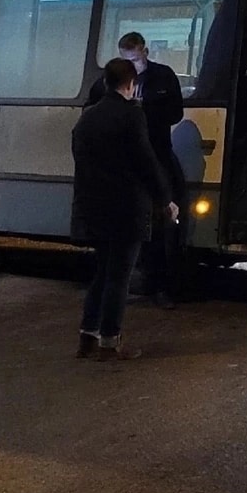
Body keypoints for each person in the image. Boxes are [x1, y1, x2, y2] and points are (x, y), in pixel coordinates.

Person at [70, 56, 179, 360]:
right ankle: (109, 341)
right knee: (119, 277)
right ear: (131, 84)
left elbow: (79, 155)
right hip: (125, 209)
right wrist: (165, 199)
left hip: (93, 207)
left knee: (102, 273)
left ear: (105, 82)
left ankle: (86, 338)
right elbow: (146, 161)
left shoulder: (88, 116)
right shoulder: (132, 116)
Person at [90, 30, 186, 306]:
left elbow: (175, 112)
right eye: (126, 59)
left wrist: (147, 110)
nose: (132, 63)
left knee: (162, 227)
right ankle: (146, 283)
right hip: (134, 159)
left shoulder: (163, 76)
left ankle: (162, 285)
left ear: (144, 50)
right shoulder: (117, 79)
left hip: (157, 151)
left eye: (134, 57)